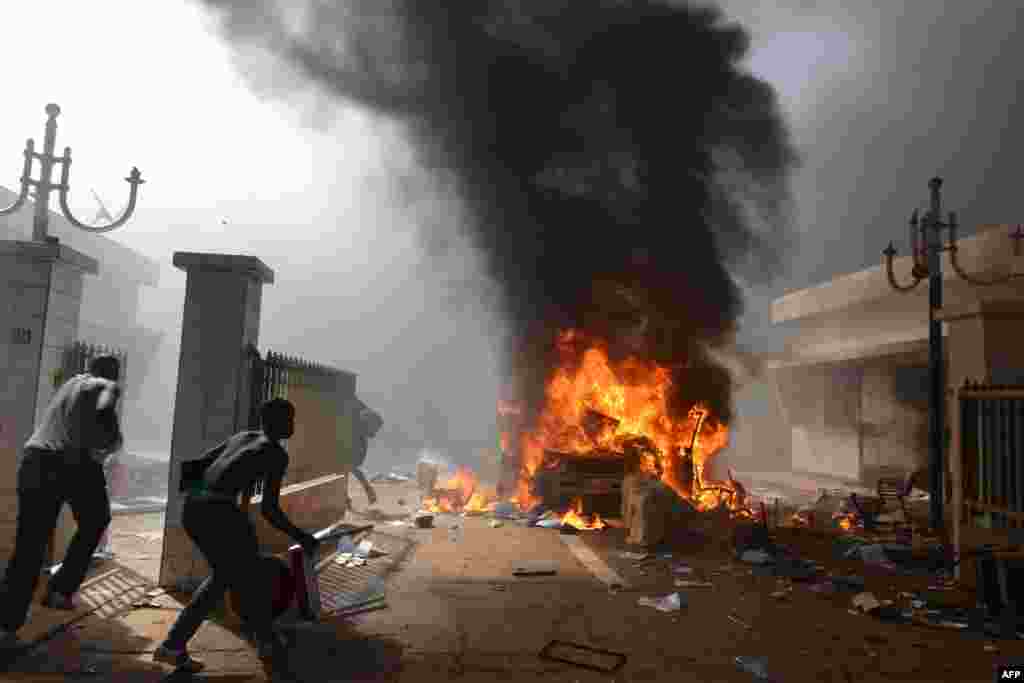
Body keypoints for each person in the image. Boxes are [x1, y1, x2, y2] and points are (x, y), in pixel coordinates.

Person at [152, 398, 319, 674]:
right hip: (220, 513)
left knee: (230, 577)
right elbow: (270, 509)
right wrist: (301, 536)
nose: (292, 424)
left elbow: (199, 464)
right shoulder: (276, 454)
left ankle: (177, 645)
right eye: (288, 419)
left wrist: (216, 499)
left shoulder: (242, 437)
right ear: (275, 422)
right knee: (241, 576)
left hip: (193, 507)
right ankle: (263, 641)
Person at [0, 355, 123, 651]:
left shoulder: (71, 383)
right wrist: (112, 439)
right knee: (96, 519)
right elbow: (104, 417)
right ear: (113, 374)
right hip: (71, 461)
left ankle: (5, 627)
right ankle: (60, 588)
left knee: (29, 544)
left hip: (35, 460)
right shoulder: (106, 386)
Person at [350, 399, 383, 507]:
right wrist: (367, 488)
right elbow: (350, 465)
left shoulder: (359, 434)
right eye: (374, 429)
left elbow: (353, 465)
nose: (374, 435)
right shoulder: (352, 431)